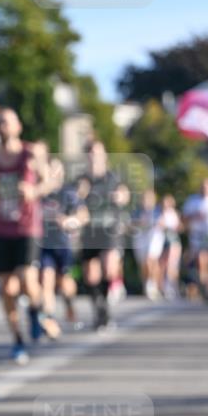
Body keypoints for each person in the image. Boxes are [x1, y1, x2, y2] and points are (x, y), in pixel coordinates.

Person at [0, 107, 45, 364]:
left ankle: (36, 310)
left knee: (27, 279)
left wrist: (33, 191)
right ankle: (17, 339)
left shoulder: (30, 153)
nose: (3, 127)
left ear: (18, 127)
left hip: (26, 227)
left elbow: (49, 181)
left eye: (8, 123)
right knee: (6, 288)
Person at [78, 140, 130, 330]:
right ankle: (99, 308)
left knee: (109, 269)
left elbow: (125, 195)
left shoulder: (113, 177)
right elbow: (75, 203)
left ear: (105, 156)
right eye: (91, 153)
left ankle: (105, 307)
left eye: (98, 153)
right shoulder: (82, 181)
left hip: (110, 229)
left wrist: (120, 197)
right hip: (90, 230)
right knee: (91, 277)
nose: (94, 157)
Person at [39, 157, 81, 334]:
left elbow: (83, 215)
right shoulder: (40, 193)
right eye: (51, 170)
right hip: (44, 244)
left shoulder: (68, 192)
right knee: (46, 281)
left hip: (62, 244)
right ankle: (50, 319)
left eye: (57, 170)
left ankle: (70, 304)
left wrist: (69, 221)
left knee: (64, 283)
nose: (54, 174)